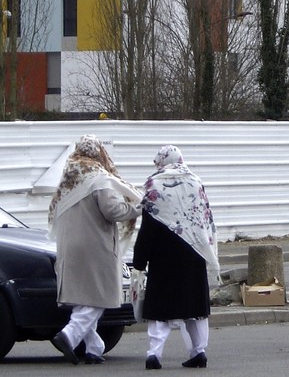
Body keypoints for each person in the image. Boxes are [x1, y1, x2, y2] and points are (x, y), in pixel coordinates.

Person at [48, 134, 142, 365]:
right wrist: (137, 209)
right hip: (94, 244)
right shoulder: (98, 178)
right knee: (99, 296)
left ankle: (93, 348)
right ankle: (69, 335)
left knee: (83, 295)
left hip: (68, 244)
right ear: (99, 152)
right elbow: (113, 211)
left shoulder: (68, 179)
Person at [133, 145, 220, 370]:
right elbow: (206, 220)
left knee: (159, 308)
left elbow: (148, 227)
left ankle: (154, 354)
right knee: (195, 308)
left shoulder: (154, 184)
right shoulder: (196, 182)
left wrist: (140, 261)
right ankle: (199, 352)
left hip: (164, 255)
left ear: (161, 161)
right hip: (194, 251)